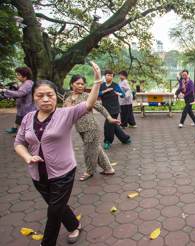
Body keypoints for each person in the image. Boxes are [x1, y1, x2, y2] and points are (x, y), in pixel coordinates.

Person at [14, 62, 102, 245]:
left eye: (50, 95)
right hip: (38, 174)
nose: (45, 99)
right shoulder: (28, 118)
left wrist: (97, 82)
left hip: (63, 173)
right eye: (40, 95)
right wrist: (27, 157)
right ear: (33, 98)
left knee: (53, 212)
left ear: (56, 97)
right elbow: (19, 143)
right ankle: (74, 225)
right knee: (57, 206)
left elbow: (89, 104)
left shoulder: (66, 114)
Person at [64, 75, 117, 181]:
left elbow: (100, 107)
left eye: (82, 84)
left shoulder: (87, 96)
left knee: (89, 151)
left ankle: (89, 171)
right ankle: (108, 169)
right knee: (96, 149)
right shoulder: (68, 98)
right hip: (80, 129)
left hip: (91, 127)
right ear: (71, 84)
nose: (80, 86)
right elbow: (65, 113)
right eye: (77, 83)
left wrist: (109, 118)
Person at [99, 69, 131, 150]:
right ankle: (125, 139)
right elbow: (97, 94)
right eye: (108, 75)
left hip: (115, 108)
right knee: (113, 125)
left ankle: (107, 141)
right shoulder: (102, 85)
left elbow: (123, 95)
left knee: (108, 124)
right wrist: (105, 91)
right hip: (105, 108)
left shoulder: (115, 85)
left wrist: (119, 93)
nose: (109, 77)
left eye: (111, 76)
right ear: (105, 76)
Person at [0, 67, 36, 133]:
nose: (17, 76)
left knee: (26, 120)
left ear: (25, 76)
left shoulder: (28, 83)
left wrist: (4, 90)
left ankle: (24, 134)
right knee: (19, 117)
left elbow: (20, 93)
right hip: (22, 106)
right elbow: (17, 92)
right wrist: (5, 94)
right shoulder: (24, 83)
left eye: (19, 75)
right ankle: (15, 128)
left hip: (27, 107)